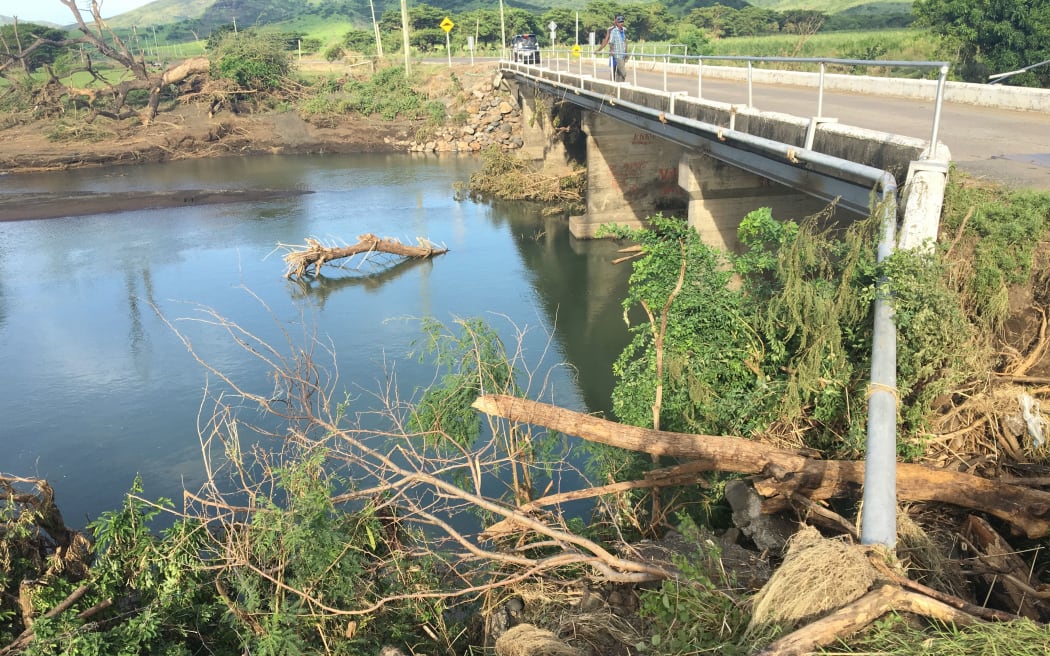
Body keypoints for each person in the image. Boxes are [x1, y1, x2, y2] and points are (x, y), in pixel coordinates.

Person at [596, 14, 628, 81]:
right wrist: (599, 50)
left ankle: (619, 85)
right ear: (615, 20)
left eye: (621, 20)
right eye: (617, 19)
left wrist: (626, 53)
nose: (619, 21)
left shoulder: (624, 29)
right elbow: (606, 41)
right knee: (613, 70)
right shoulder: (610, 30)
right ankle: (612, 84)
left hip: (621, 53)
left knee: (620, 71)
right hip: (613, 54)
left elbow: (625, 41)